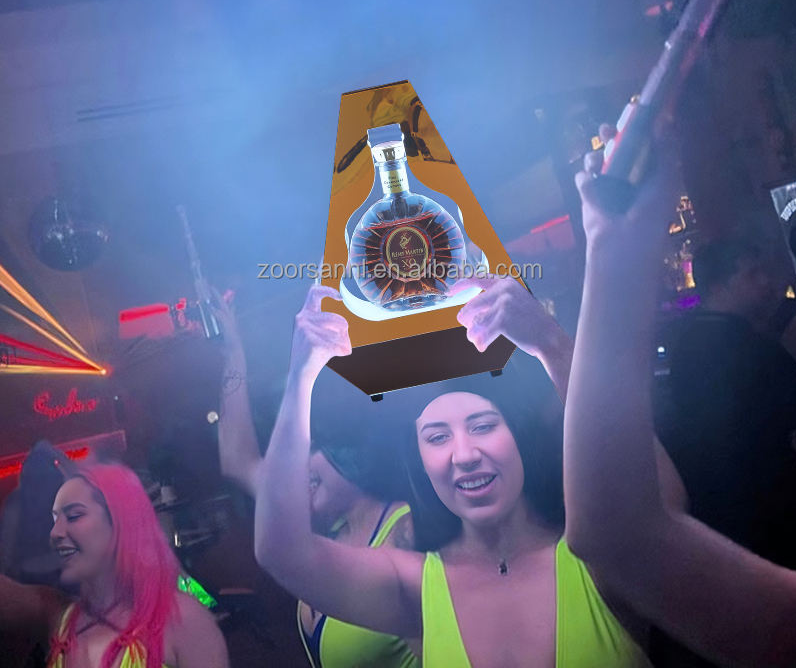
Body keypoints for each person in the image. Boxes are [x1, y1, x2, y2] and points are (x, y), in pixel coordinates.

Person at [250, 278, 686, 666]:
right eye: (437, 437)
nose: (464, 454)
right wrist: (301, 377)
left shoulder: (596, 561)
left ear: (520, 441)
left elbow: (659, 501)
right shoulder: (417, 587)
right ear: (422, 464)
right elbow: (281, 551)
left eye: (482, 426)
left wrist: (553, 345)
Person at [564, 139, 796, 667]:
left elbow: (616, 534)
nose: (771, 283)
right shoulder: (738, 344)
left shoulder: (713, 342)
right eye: (757, 273)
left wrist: (616, 253)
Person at [213, 290, 419, 668]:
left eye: (312, 449)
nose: (299, 467)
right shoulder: (324, 531)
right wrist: (232, 353)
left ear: (355, 449)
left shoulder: (408, 531)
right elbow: (238, 460)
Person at [0, 461, 229, 668]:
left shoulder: (183, 620)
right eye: (55, 519)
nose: (55, 533)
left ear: (120, 522)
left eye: (74, 516)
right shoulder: (59, 617)